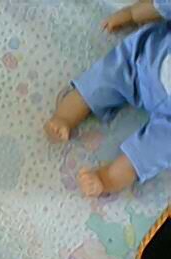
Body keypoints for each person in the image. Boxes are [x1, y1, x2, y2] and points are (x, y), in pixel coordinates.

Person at [44, 0, 171, 197]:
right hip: (144, 60)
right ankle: (65, 115)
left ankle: (107, 179)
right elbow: (159, 5)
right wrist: (131, 14)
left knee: (158, 149)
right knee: (105, 77)